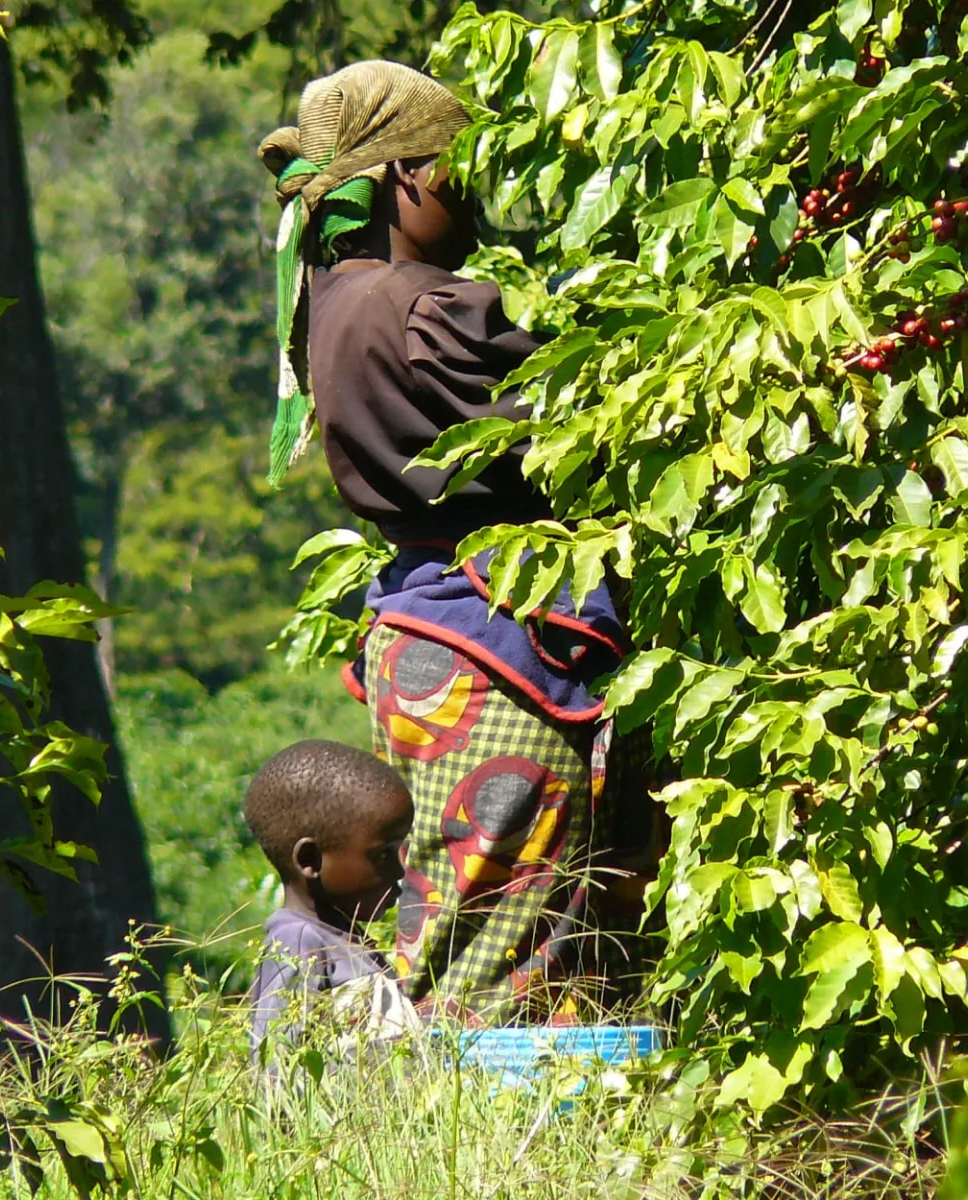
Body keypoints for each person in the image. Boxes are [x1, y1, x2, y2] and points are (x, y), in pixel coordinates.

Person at [257, 61, 654, 1021]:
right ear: (402, 179)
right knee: (502, 935)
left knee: (473, 903)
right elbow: (586, 425)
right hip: (498, 638)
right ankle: (489, 1136)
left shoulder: (332, 304)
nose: (471, 200)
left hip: (425, 632)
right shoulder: (426, 306)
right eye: (455, 170)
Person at [244, 739, 415, 1054]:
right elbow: (276, 1060)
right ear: (310, 861)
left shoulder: (342, 937)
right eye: (384, 854)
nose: (399, 870)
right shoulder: (298, 943)